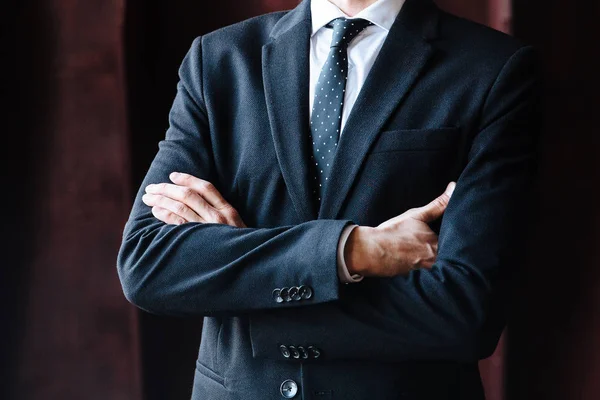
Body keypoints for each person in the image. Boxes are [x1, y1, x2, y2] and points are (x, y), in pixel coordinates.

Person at [117, 0, 540, 398]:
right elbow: (148, 263)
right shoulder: (217, 59)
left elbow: (465, 313)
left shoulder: (494, 68)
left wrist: (245, 291)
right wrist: (353, 249)